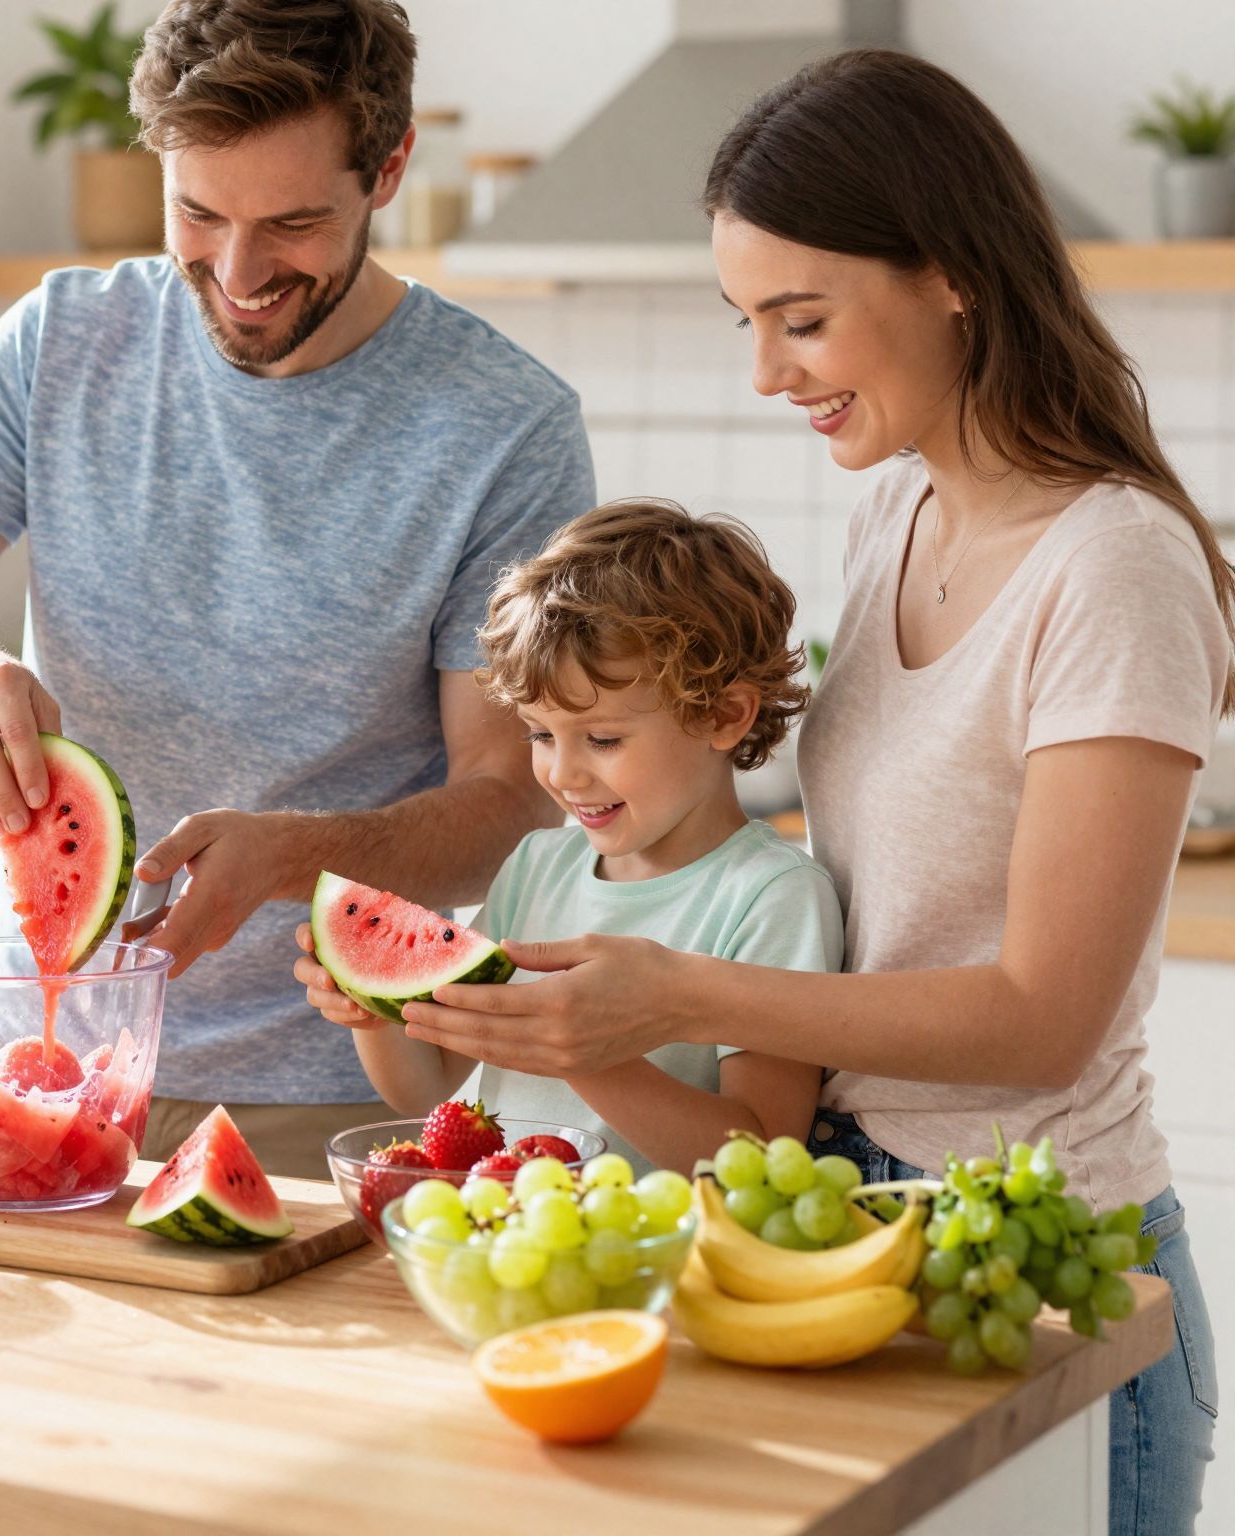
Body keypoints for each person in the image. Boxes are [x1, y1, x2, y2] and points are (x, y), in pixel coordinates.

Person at [395, 51, 1226, 1531]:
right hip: (836, 1227)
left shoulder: (1116, 565)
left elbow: (1048, 1012)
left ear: (952, 276)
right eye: (748, 324)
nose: (769, 373)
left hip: (1038, 1260)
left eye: (803, 319)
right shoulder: (893, 506)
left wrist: (677, 993)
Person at [0, 0, 592, 1174]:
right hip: (49, 1062)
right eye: (197, 213)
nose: (238, 271)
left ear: (388, 169)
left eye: (293, 223)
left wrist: (295, 858)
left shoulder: (501, 427)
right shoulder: (58, 344)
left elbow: (508, 800)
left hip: (330, 1101)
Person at [296, 500, 842, 1174]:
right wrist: (373, 1010)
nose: (562, 771)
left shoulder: (773, 897)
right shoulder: (535, 865)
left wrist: (584, 1055)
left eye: (604, 739)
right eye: (539, 734)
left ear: (725, 715)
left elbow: (764, 1154)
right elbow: (428, 1083)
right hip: (517, 1243)